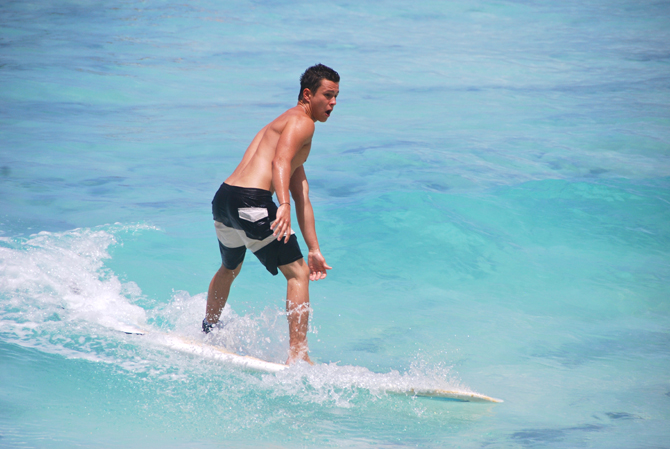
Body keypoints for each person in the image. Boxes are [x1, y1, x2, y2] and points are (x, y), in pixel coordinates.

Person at [203, 64, 339, 365]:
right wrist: (282, 205)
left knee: (230, 268)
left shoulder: (283, 125)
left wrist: (314, 248)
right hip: (252, 200)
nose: (332, 104)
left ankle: (208, 331)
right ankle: (298, 355)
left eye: (336, 97)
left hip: (225, 198)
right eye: (327, 96)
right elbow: (281, 162)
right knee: (298, 273)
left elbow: (301, 194)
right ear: (308, 94)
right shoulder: (303, 123)